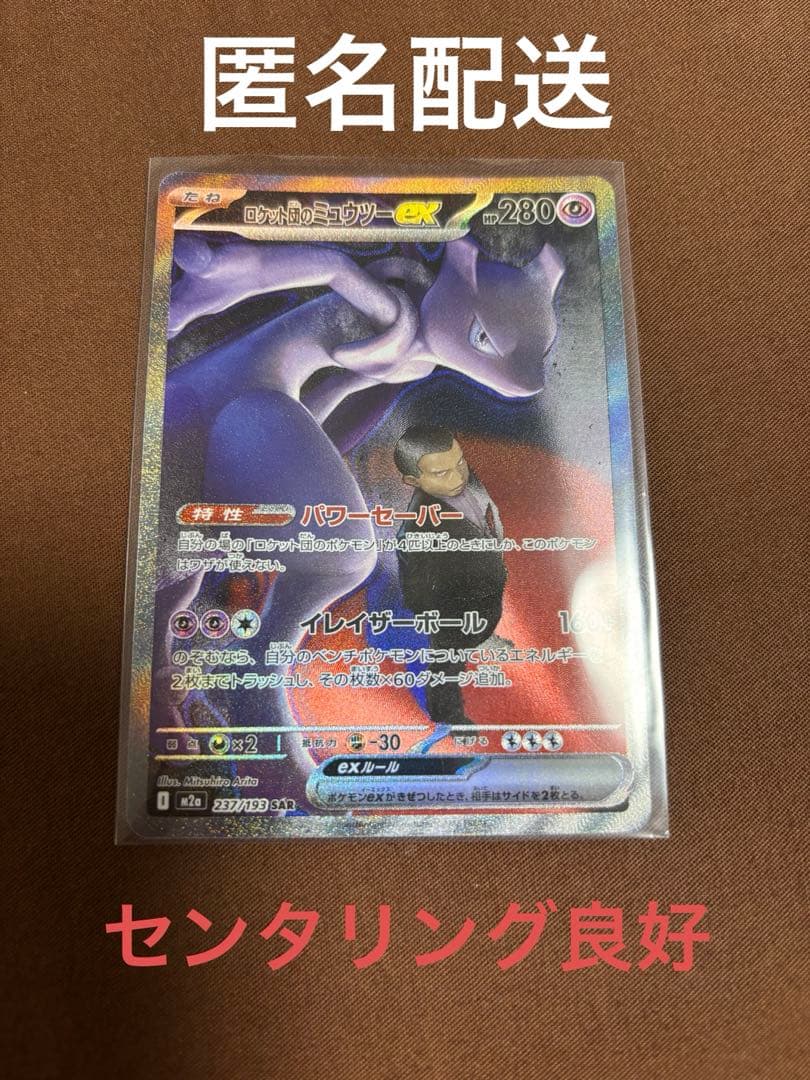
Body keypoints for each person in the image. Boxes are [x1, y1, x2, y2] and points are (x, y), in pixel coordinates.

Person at [394, 425, 508, 727]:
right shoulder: (417, 527)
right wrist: (434, 615)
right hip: (451, 608)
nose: (458, 478)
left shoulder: (468, 480)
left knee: (486, 618)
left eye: (460, 464)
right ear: (413, 480)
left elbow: (486, 508)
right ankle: (447, 715)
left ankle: (481, 637)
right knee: (447, 660)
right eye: (441, 473)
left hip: (485, 583)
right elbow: (414, 579)